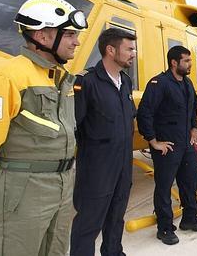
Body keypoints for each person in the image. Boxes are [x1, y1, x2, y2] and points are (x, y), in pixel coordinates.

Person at [0, 0, 87, 255]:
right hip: (24, 185)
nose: (77, 42)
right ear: (42, 36)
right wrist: (13, 172)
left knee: (56, 250)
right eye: (70, 34)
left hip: (62, 183)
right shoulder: (9, 76)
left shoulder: (61, 79)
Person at [70, 28, 137, 255]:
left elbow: (129, 119)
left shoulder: (125, 82)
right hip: (97, 168)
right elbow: (74, 126)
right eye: (129, 48)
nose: (133, 53)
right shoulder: (86, 82)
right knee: (88, 223)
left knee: (117, 216)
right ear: (110, 50)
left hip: (123, 166)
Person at [137, 46, 197, 246]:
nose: (190, 64)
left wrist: (194, 127)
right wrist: (153, 141)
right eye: (186, 61)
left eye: (190, 60)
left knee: (190, 181)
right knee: (164, 187)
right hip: (167, 146)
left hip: (186, 144)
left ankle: (189, 219)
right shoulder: (159, 83)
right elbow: (144, 113)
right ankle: (165, 228)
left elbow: (193, 106)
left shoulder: (187, 83)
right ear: (174, 62)